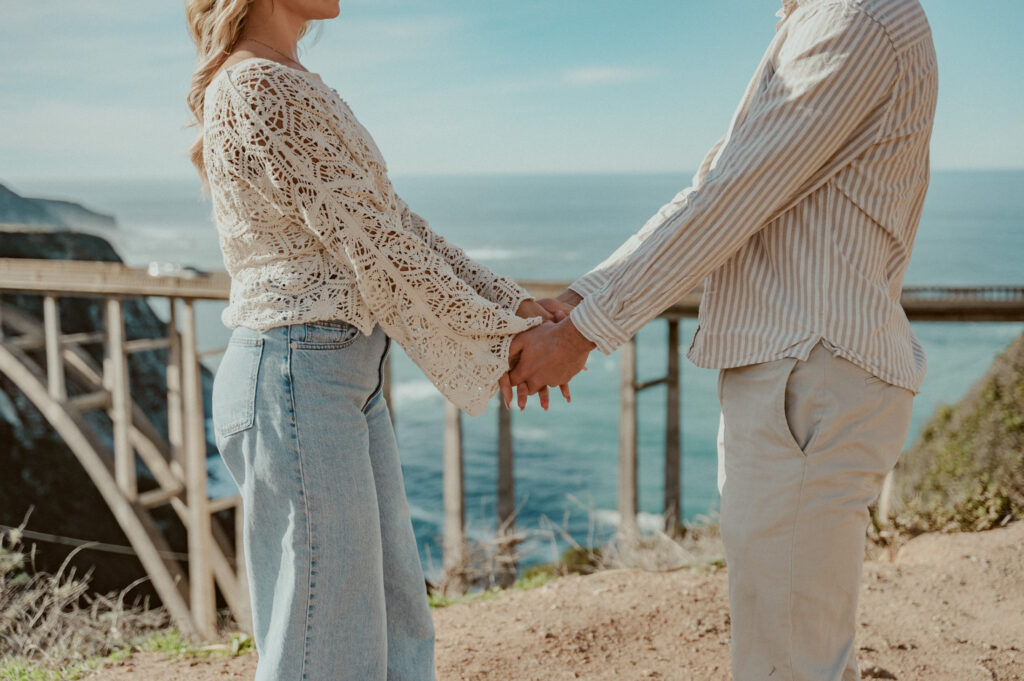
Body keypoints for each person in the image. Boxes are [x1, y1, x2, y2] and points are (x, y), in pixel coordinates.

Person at [511, 0, 938, 679]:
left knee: (789, 661)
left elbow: (728, 201)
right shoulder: (826, 20)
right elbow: (713, 192)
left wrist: (583, 333)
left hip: (808, 377)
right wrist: (577, 301)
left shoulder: (854, 18)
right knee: (795, 649)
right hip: (801, 375)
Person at [185, 1, 567, 679]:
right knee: (327, 643)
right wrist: (499, 333)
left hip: (337, 374)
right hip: (296, 376)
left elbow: (396, 224)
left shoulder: (290, 78)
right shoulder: (255, 86)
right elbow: (377, 244)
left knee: (395, 623)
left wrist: (510, 306)